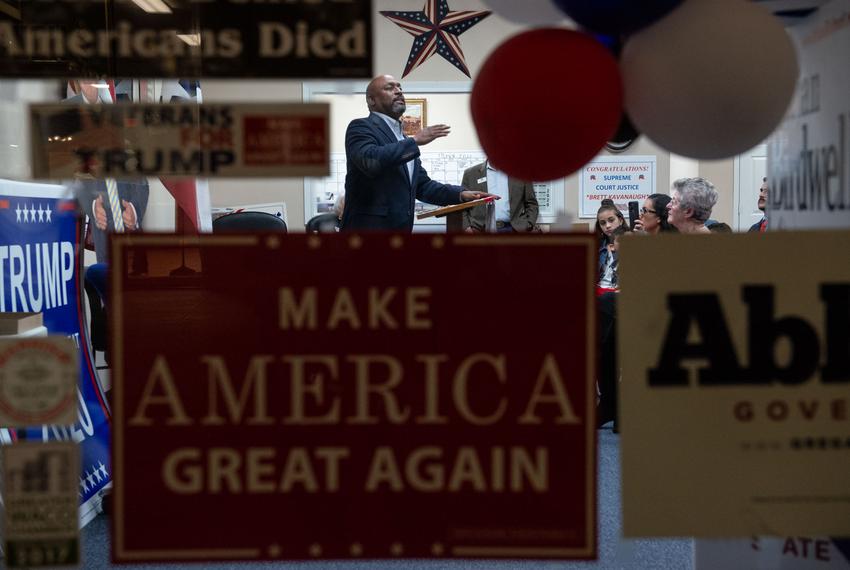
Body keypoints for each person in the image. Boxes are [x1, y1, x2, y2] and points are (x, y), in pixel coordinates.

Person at [341, 75, 494, 231]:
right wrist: (414, 142)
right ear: (371, 100)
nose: (399, 91)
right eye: (389, 88)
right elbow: (370, 161)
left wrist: (460, 194)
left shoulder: (403, 138)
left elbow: (423, 186)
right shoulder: (360, 127)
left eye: (400, 87)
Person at [461, 161, 539, 232]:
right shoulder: (470, 174)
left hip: (513, 230)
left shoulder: (521, 172)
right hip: (480, 230)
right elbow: (463, 204)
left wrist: (528, 225)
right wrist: (467, 227)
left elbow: (531, 203)